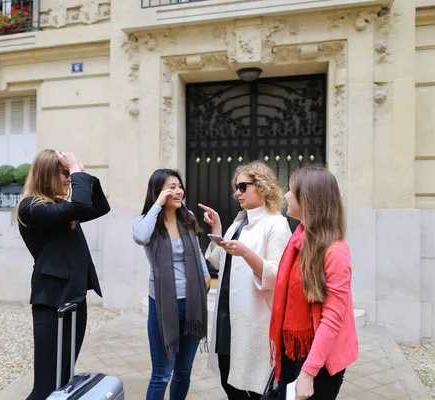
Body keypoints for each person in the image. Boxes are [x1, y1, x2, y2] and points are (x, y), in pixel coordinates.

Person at [16, 149, 110, 400]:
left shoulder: (60, 207)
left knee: (63, 380)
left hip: (74, 296)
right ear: (47, 174)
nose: (69, 179)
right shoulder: (31, 207)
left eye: (70, 174)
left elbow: (101, 206)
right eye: (65, 173)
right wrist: (77, 171)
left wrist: (81, 170)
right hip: (51, 301)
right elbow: (81, 204)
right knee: (45, 386)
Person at [199, 161, 291, 399]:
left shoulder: (276, 223)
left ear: (261, 187)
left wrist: (247, 253)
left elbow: (280, 275)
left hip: (254, 320)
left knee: (251, 387)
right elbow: (221, 261)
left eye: (242, 186)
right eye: (235, 187)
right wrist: (218, 226)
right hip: (227, 316)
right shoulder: (240, 221)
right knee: (228, 381)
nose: (237, 193)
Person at [269, 165, 358, 400]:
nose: (286, 195)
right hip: (293, 350)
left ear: (307, 199)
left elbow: (332, 319)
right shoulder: (297, 240)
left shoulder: (336, 251)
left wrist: (308, 373)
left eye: (291, 190)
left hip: (319, 362)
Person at [133, 169, 211, 400]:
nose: (178, 191)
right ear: (158, 192)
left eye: (179, 186)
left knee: (183, 372)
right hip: (163, 306)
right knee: (161, 374)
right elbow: (140, 237)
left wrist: (205, 279)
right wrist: (157, 204)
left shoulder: (187, 221)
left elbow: (198, 255)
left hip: (191, 305)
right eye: (171, 187)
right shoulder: (147, 223)